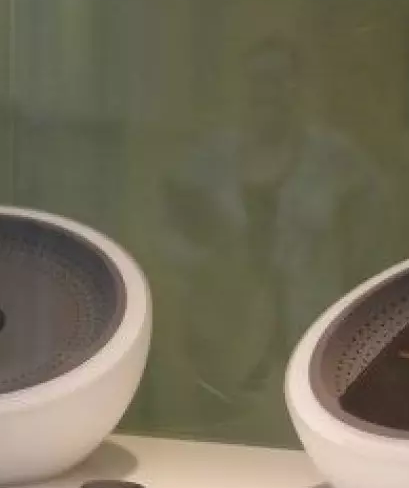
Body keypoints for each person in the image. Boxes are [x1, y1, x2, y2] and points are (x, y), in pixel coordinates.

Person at [150, 35, 392, 445]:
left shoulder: (336, 158)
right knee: (227, 440)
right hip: (226, 330)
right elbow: (166, 233)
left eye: (280, 79)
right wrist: (207, 264)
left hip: (310, 328)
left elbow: (373, 239)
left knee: (305, 435)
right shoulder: (210, 158)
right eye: (259, 79)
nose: (270, 90)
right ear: (243, 86)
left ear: (299, 88)